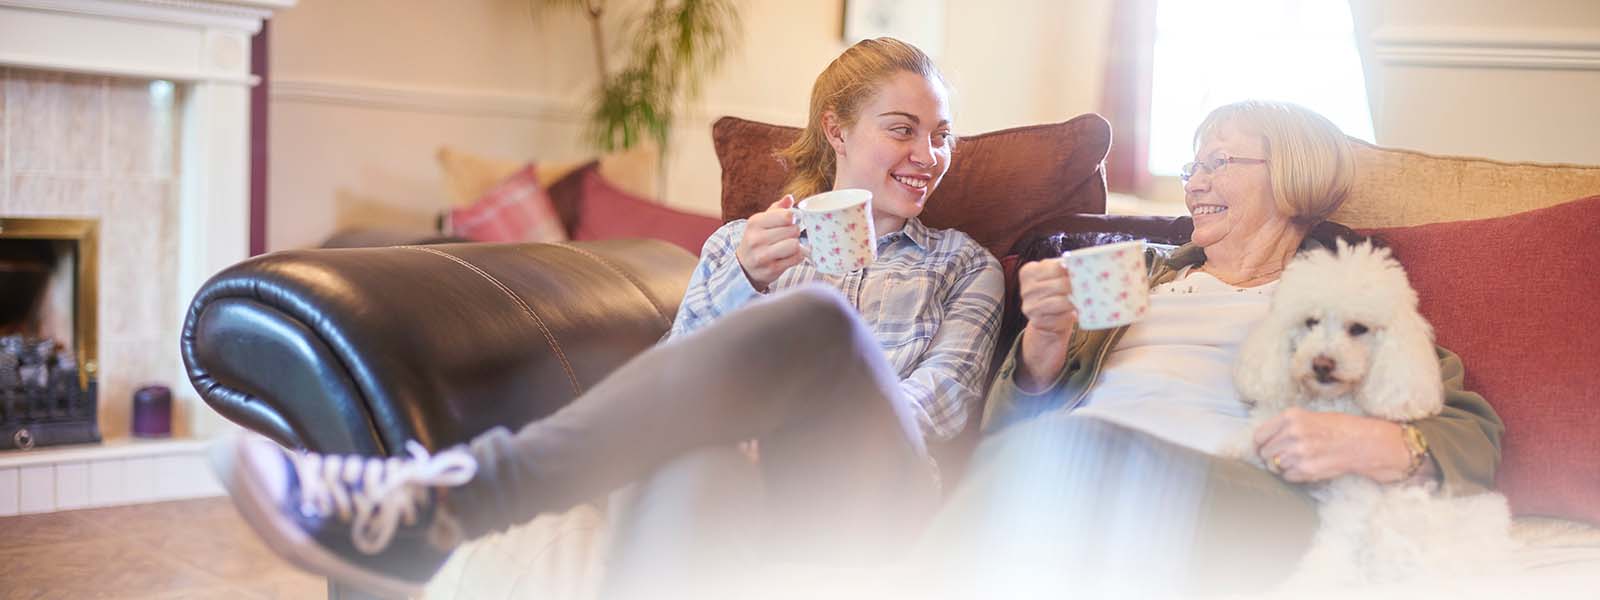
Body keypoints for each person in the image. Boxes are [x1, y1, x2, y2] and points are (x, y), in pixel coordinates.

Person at [210, 37, 1004, 598]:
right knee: (697, 459)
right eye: (903, 129)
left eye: (942, 137)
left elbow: (940, 406)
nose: (928, 155)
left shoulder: (964, 265)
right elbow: (673, 374)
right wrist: (740, 286)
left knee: (820, 322)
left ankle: (459, 498)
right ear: (836, 127)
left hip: (875, 497)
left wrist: (790, 405)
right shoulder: (743, 244)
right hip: (743, 487)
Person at [918, 100, 1505, 596]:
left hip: (1238, 495)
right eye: (1192, 166)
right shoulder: (1139, 277)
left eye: (1219, 162)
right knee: (1043, 457)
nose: (1193, 183)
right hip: (1069, 473)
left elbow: (1471, 433)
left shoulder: (1336, 299)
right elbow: (1004, 432)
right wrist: (1042, 347)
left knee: (1065, 452)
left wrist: (1373, 441)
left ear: (1292, 174)